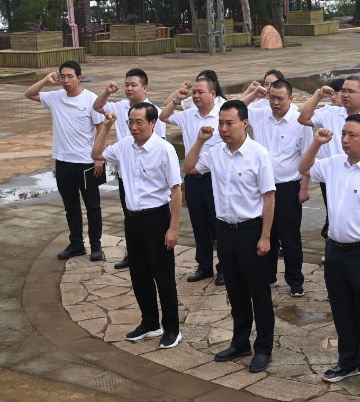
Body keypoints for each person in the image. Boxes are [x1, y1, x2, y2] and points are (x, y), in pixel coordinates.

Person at [300, 115, 360, 391]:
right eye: (343, 133)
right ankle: (348, 361)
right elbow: (303, 167)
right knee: (341, 309)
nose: (345, 139)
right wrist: (316, 143)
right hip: (335, 250)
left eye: (352, 135)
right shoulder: (334, 164)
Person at [182, 100, 276, 372]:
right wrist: (200, 141)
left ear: (244, 123)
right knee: (235, 292)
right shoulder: (216, 153)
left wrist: (266, 236)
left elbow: (269, 198)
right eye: (221, 123)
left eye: (229, 123)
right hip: (224, 231)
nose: (223, 128)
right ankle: (240, 342)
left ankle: (264, 347)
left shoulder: (258, 154)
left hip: (251, 231)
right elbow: (189, 167)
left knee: (259, 293)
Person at [92, 101, 184, 349]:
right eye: (131, 122)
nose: (134, 127)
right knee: (139, 275)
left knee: (163, 276)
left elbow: (176, 190)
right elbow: (96, 154)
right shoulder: (124, 146)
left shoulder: (164, 150)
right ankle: (150, 323)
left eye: (139, 122)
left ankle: (172, 329)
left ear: (153, 123)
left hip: (157, 218)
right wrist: (106, 127)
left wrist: (173, 228)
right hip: (133, 219)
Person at [26, 61, 106, 262]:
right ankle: (76, 244)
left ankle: (96, 246)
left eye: (70, 76)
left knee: (93, 207)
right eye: (63, 76)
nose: (66, 80)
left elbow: (101, 129)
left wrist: (99, 157)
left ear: (79, 78)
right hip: (62, 161)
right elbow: (29, 94)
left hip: (87, 162)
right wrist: (46, 80)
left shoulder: (91, 99)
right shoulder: (56, 97)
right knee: (71, 207)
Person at [93, 68, 167, 270]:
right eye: (127, 85)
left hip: (148, 174)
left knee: (152, 215)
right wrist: (107, 91)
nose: (129, 88)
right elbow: (97, 106)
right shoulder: (119, 106)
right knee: (129, 213)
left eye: (134, 85)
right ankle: (132, 253)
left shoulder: (154, 113)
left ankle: (154, 252)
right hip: (126, 171)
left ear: (145, 88)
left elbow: (161, 145)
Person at [249, 78, 313, 296]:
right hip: (262, 188)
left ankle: (295, 280)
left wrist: (304, 187)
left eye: (280, 98)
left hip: (288, 187)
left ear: (291, 98)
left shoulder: (300, 121)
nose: (275, 103)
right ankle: (268, 276)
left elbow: (307, 156)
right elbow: (235, 109)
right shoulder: (260, 115)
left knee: (289, 236)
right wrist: (253, 94)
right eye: (272, 98)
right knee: (266, 232)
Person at [161, 74, 226, 284]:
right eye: (194, 92)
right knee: (199, 224)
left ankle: (224, 268)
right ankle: (204, 266)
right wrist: (177, 98)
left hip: (216, 179)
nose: (196, 96)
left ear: (213, 94)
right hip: (193, 178)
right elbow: (163, 116)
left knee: (219, 224)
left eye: (201, 92)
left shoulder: (221, 116)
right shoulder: (188, 115)